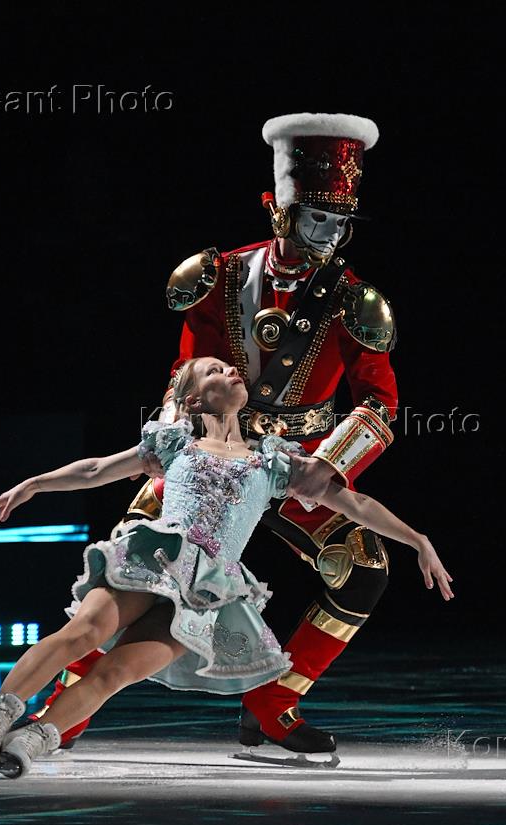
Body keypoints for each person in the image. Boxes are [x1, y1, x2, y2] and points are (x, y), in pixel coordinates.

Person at [34, 112, 408, 760]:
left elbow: (380, 402)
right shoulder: (216, 277)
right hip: (203, 455)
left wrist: (330, 464)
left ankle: (271, 706)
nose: (331, 234)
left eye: (340, 222)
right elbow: (184, 371)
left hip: (287, 464)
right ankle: (60, 714)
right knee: (133, 570)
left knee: (363, 567)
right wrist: (170, 439)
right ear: (280, 210)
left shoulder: (353, 301)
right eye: (318, 218)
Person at [0, 356, 452, 778]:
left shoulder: (275, 462)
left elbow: (355, 505)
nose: (231, 372)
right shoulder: (173, 444)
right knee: (85, 633)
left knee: (118, 673)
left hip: (207, 590)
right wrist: (33, 484)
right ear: (193, 401)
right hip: (154, 559)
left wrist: (418, 540)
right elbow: (97, 469)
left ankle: (31, 742)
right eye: (214, 370)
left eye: (230, 368)